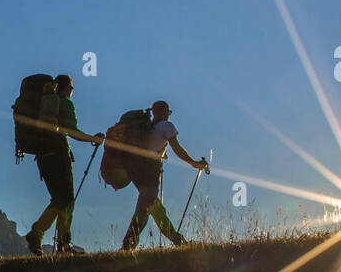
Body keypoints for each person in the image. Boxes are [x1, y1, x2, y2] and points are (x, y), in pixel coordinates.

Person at [25, 74, 104, 256]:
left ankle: (58, 243)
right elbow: (72, 130)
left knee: (60, 199)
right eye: (72, 88)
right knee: (67, 199)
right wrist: (93, 139)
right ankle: (44, 236)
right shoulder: (65, 103)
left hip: (43, 157)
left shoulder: (44, 105)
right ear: (68, 88)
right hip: (59, 155)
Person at [121, 99, 209, 250]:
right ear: (165, 112)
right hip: (149, 173)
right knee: (143, 210)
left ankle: (178, 241)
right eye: (168, 112)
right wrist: (193, 163)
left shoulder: (147, 127)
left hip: (136, 172)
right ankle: (127, 247)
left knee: (153, 207)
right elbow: (177, 148)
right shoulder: (166, 126)